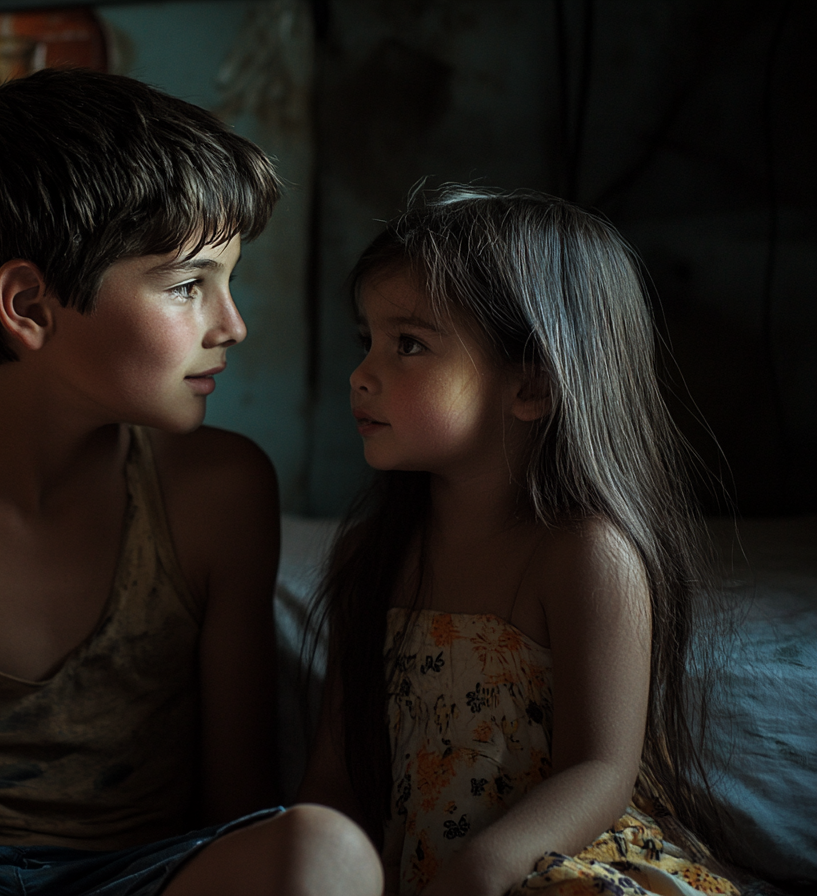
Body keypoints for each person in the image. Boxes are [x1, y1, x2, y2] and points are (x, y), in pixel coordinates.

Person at [0, 69, 381, 896]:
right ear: (30, 306)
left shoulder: (220, 492)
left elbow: (238, 806)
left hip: (143, 878)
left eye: (226, 283)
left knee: (326, 853)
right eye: (186, 285)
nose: (231, 324)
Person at [298, 187, 742, 896]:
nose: (361, 374)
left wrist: (486, 868)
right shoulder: (371, 556)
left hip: (554, 862)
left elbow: (598, 771)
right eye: (367, 341)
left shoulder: (584, 554)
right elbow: (334, 776)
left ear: (531, 386)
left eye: (407, 344)